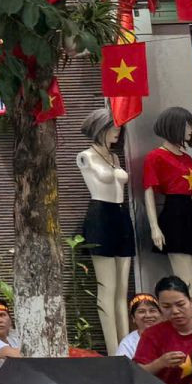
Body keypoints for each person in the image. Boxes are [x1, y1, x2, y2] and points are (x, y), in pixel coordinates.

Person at [142, 106, 192, 312]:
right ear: (174, 126)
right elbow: (148, 190)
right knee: (187, 284)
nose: (190, 131)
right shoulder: (156, 156)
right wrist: (154, 226)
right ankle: (189, 332)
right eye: (187, 126)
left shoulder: (186, 157)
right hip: (176, 214)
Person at [77, 107, 138, 351]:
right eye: (114, 127)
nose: (118, 132)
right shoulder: (85, 156)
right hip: (100, 216)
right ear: (100, 128)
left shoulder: (114, 157)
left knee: (123, 289)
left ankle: (126, 345)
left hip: (121, 215)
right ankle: (114, 350)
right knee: (107, 287)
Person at [134, 274, 192, 384]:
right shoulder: (152, 334)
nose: (175, 311)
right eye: (166, 306)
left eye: (180, 304)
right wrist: (160, 363)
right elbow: (136, 374)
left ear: (191, 302)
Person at [116, 293, 162, 360]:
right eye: (141, 311)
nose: (148, 315)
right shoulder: (128, 344)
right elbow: (122, 369)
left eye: (152, 311)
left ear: (160, 314)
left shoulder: (170, 336)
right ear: (133, 318)